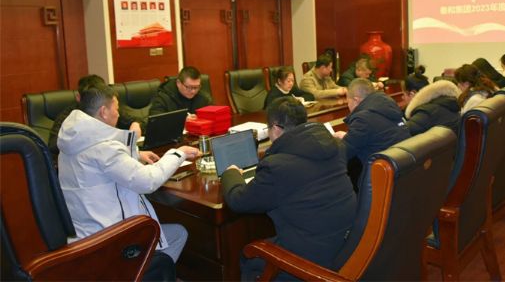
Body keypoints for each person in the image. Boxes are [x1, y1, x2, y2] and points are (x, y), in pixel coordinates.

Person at [57, 85, 199, 269]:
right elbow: (148, 181)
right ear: (104, 112)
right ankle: (138, 274)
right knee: (177, 234)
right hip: (110, 238)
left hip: (84, 234)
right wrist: (179, 153)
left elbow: (97, 166)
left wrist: (136, 155)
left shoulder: (73, 141)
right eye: (116, 109)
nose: (118, 114)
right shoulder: (104, 148)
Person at [222, 97, 356, 281]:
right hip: (347, 245)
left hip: (311, 261)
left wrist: (231, 173)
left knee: (249, 255)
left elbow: (238, 201)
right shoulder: (336, 146)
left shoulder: (277, 166)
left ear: (276, 129)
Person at [334, 78, 411, 189]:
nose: (348, 105)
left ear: (355, 100)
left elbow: (343, 154)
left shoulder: (363, 119)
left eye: (348, 102)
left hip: (382, 182)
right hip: (402, 172)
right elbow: (376, 133)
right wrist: (348, 136)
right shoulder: (387, 106)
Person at [48, 74, 142, 161]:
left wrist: (136, 124)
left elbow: (136, 120)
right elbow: (54, 145)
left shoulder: (109, 108)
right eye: (91, 97)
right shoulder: (69, 118)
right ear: (79, 98)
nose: (96, 101)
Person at [399, 66, 461, 136]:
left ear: (412, 94)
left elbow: (400, 134)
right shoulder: (444, 103)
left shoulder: (425, 113)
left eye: (403, 94)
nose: (402, 98)